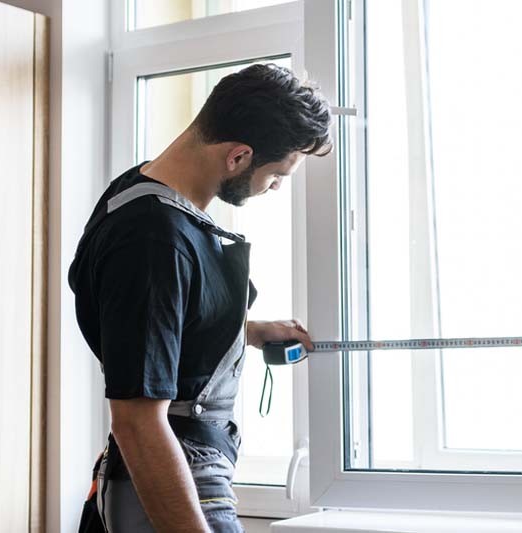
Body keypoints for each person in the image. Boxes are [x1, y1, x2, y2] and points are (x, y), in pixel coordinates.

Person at [69, 63, 330, 532]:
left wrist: (244, 331)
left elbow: (161, 321)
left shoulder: (148, 195)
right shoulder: (151, 239)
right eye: (277, 174)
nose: (275, 188)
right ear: (238, 157)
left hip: (181, 467)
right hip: (174, 471)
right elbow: (136, 421)